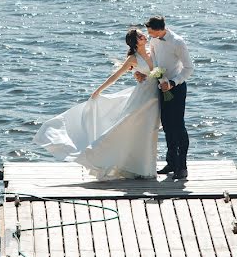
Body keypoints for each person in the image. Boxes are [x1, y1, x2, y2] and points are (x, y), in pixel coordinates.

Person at [32, 28, 161, 180]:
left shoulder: (154, 48)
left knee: (150, 132)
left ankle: (145, 167)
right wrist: (98, 90)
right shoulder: (133, 58)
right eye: (139, 36)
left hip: (155, 96)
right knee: (132, 129)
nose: (143, 36)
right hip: (142, 98)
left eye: (142, 34)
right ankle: (103, 158)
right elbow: (116, 76)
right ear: (134, 43)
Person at [135, 15, 193, 180]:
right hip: (160, 86)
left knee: (178, 126)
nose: (148, 35)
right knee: (167, 126)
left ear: (159, 29)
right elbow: (153, 60)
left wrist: (173, 83)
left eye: (150, 31)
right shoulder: (154, 40)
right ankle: (171, 162)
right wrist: (143, 73)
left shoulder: (177, 42)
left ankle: (182, 166)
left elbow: (189, 68)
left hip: (177, 88)